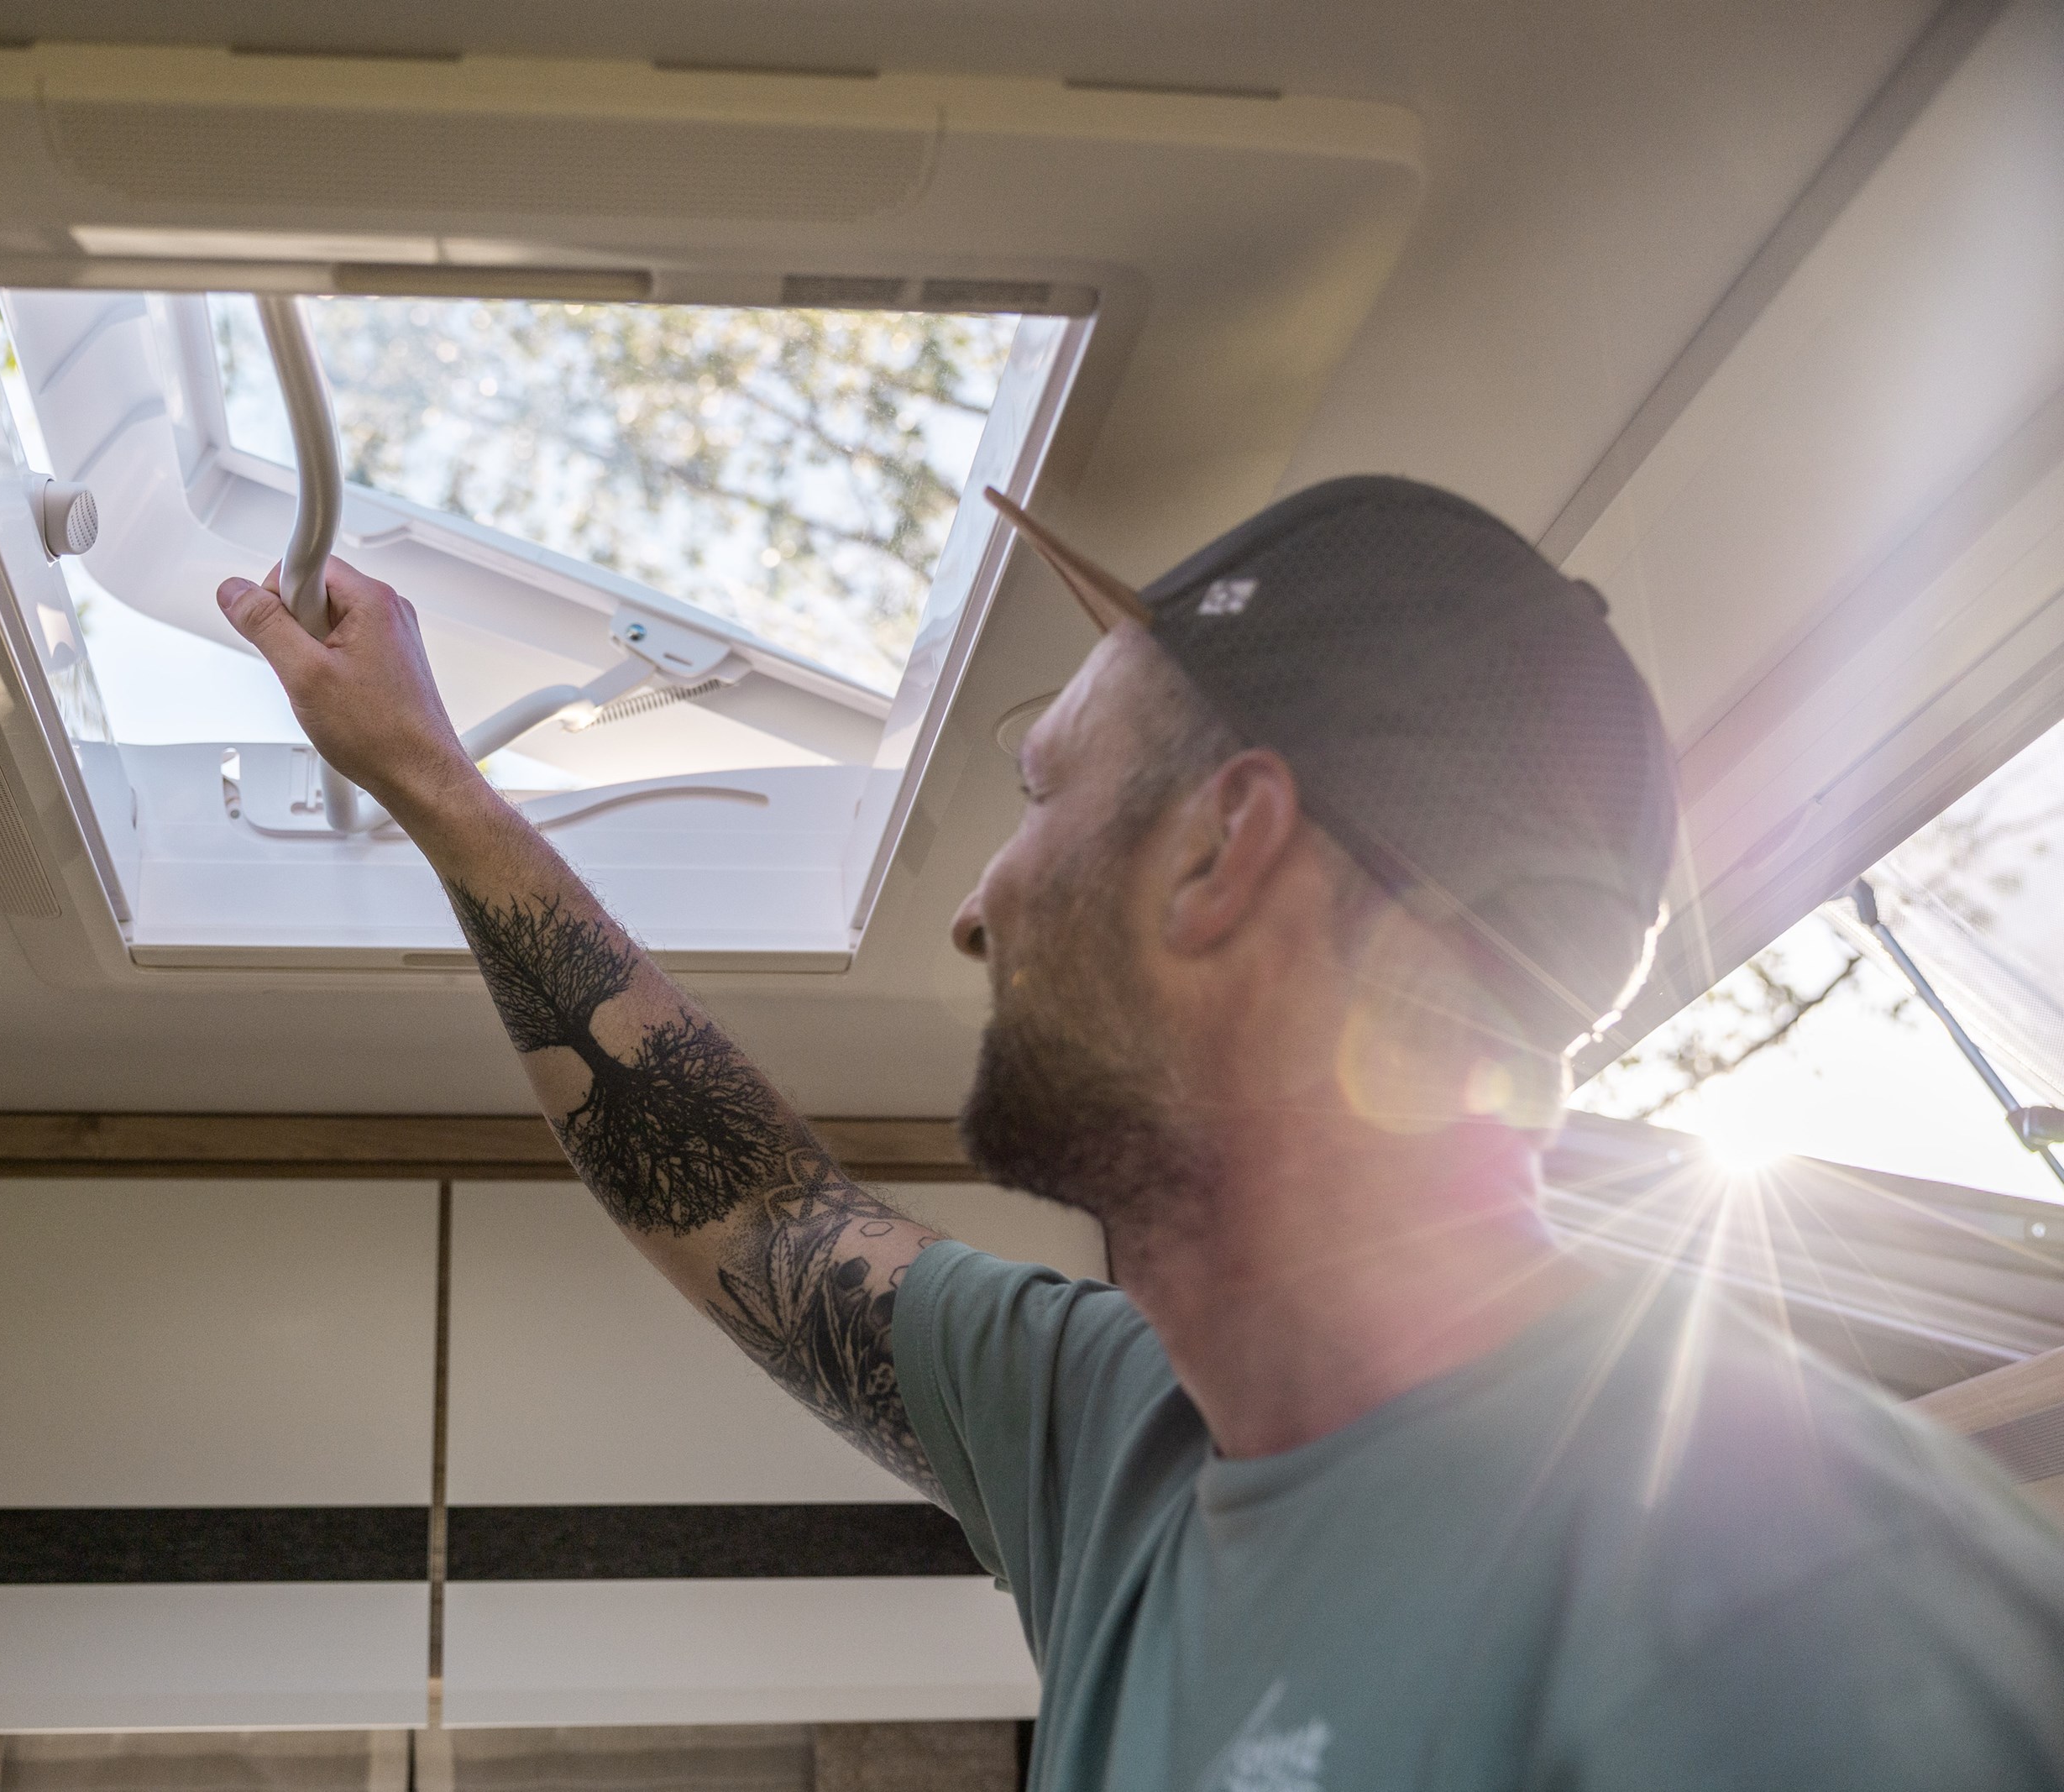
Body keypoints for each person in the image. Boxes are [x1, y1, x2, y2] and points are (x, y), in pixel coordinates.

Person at [216, 475, 2064, 1789]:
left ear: (1221, 845)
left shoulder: (1803, 1593)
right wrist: (436, 785)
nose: (978, 904)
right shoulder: (1119, 1438)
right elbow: (756, 1210)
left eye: (1043, 793)